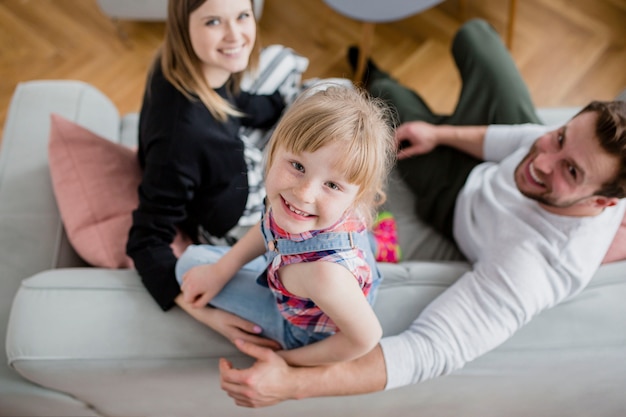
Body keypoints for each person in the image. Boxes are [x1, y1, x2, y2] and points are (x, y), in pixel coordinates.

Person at [215, 19, 626, 407]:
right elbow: (522, 139)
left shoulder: (534, 268)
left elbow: (429, 349)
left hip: (452, 199)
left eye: (570, 171)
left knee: (389, 101)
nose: (542, 161)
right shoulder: (550, 152)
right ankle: (410, 101)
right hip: (479, 167)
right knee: (475, 35)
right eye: (558, 136)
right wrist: (440, 134)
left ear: (604, 203)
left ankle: (375, 72)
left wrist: (292, 384)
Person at [175, 85, 397, 366]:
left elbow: (366, 338)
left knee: (188, 263)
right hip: (302, 275)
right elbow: (270, 228)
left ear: (356, 198)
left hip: (299, 330)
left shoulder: (325, 276)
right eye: (298, 166)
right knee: (209, 267)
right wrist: (222, 270)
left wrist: (288, 362)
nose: (304, 193)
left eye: (331, 185)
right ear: (274, 149)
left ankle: (379, 246)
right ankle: (380, 243)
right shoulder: (293, 204)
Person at [126, 0, 288, 348]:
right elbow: (146, 240)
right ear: (184, 27)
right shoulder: (180, 139)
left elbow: (228, 97)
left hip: (225, 170)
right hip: (230, 216)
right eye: (214, 21)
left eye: (243, 16)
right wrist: (202, 311)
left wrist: (278, 105)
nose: (236, 35)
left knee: (320, 86)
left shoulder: (188, 63)